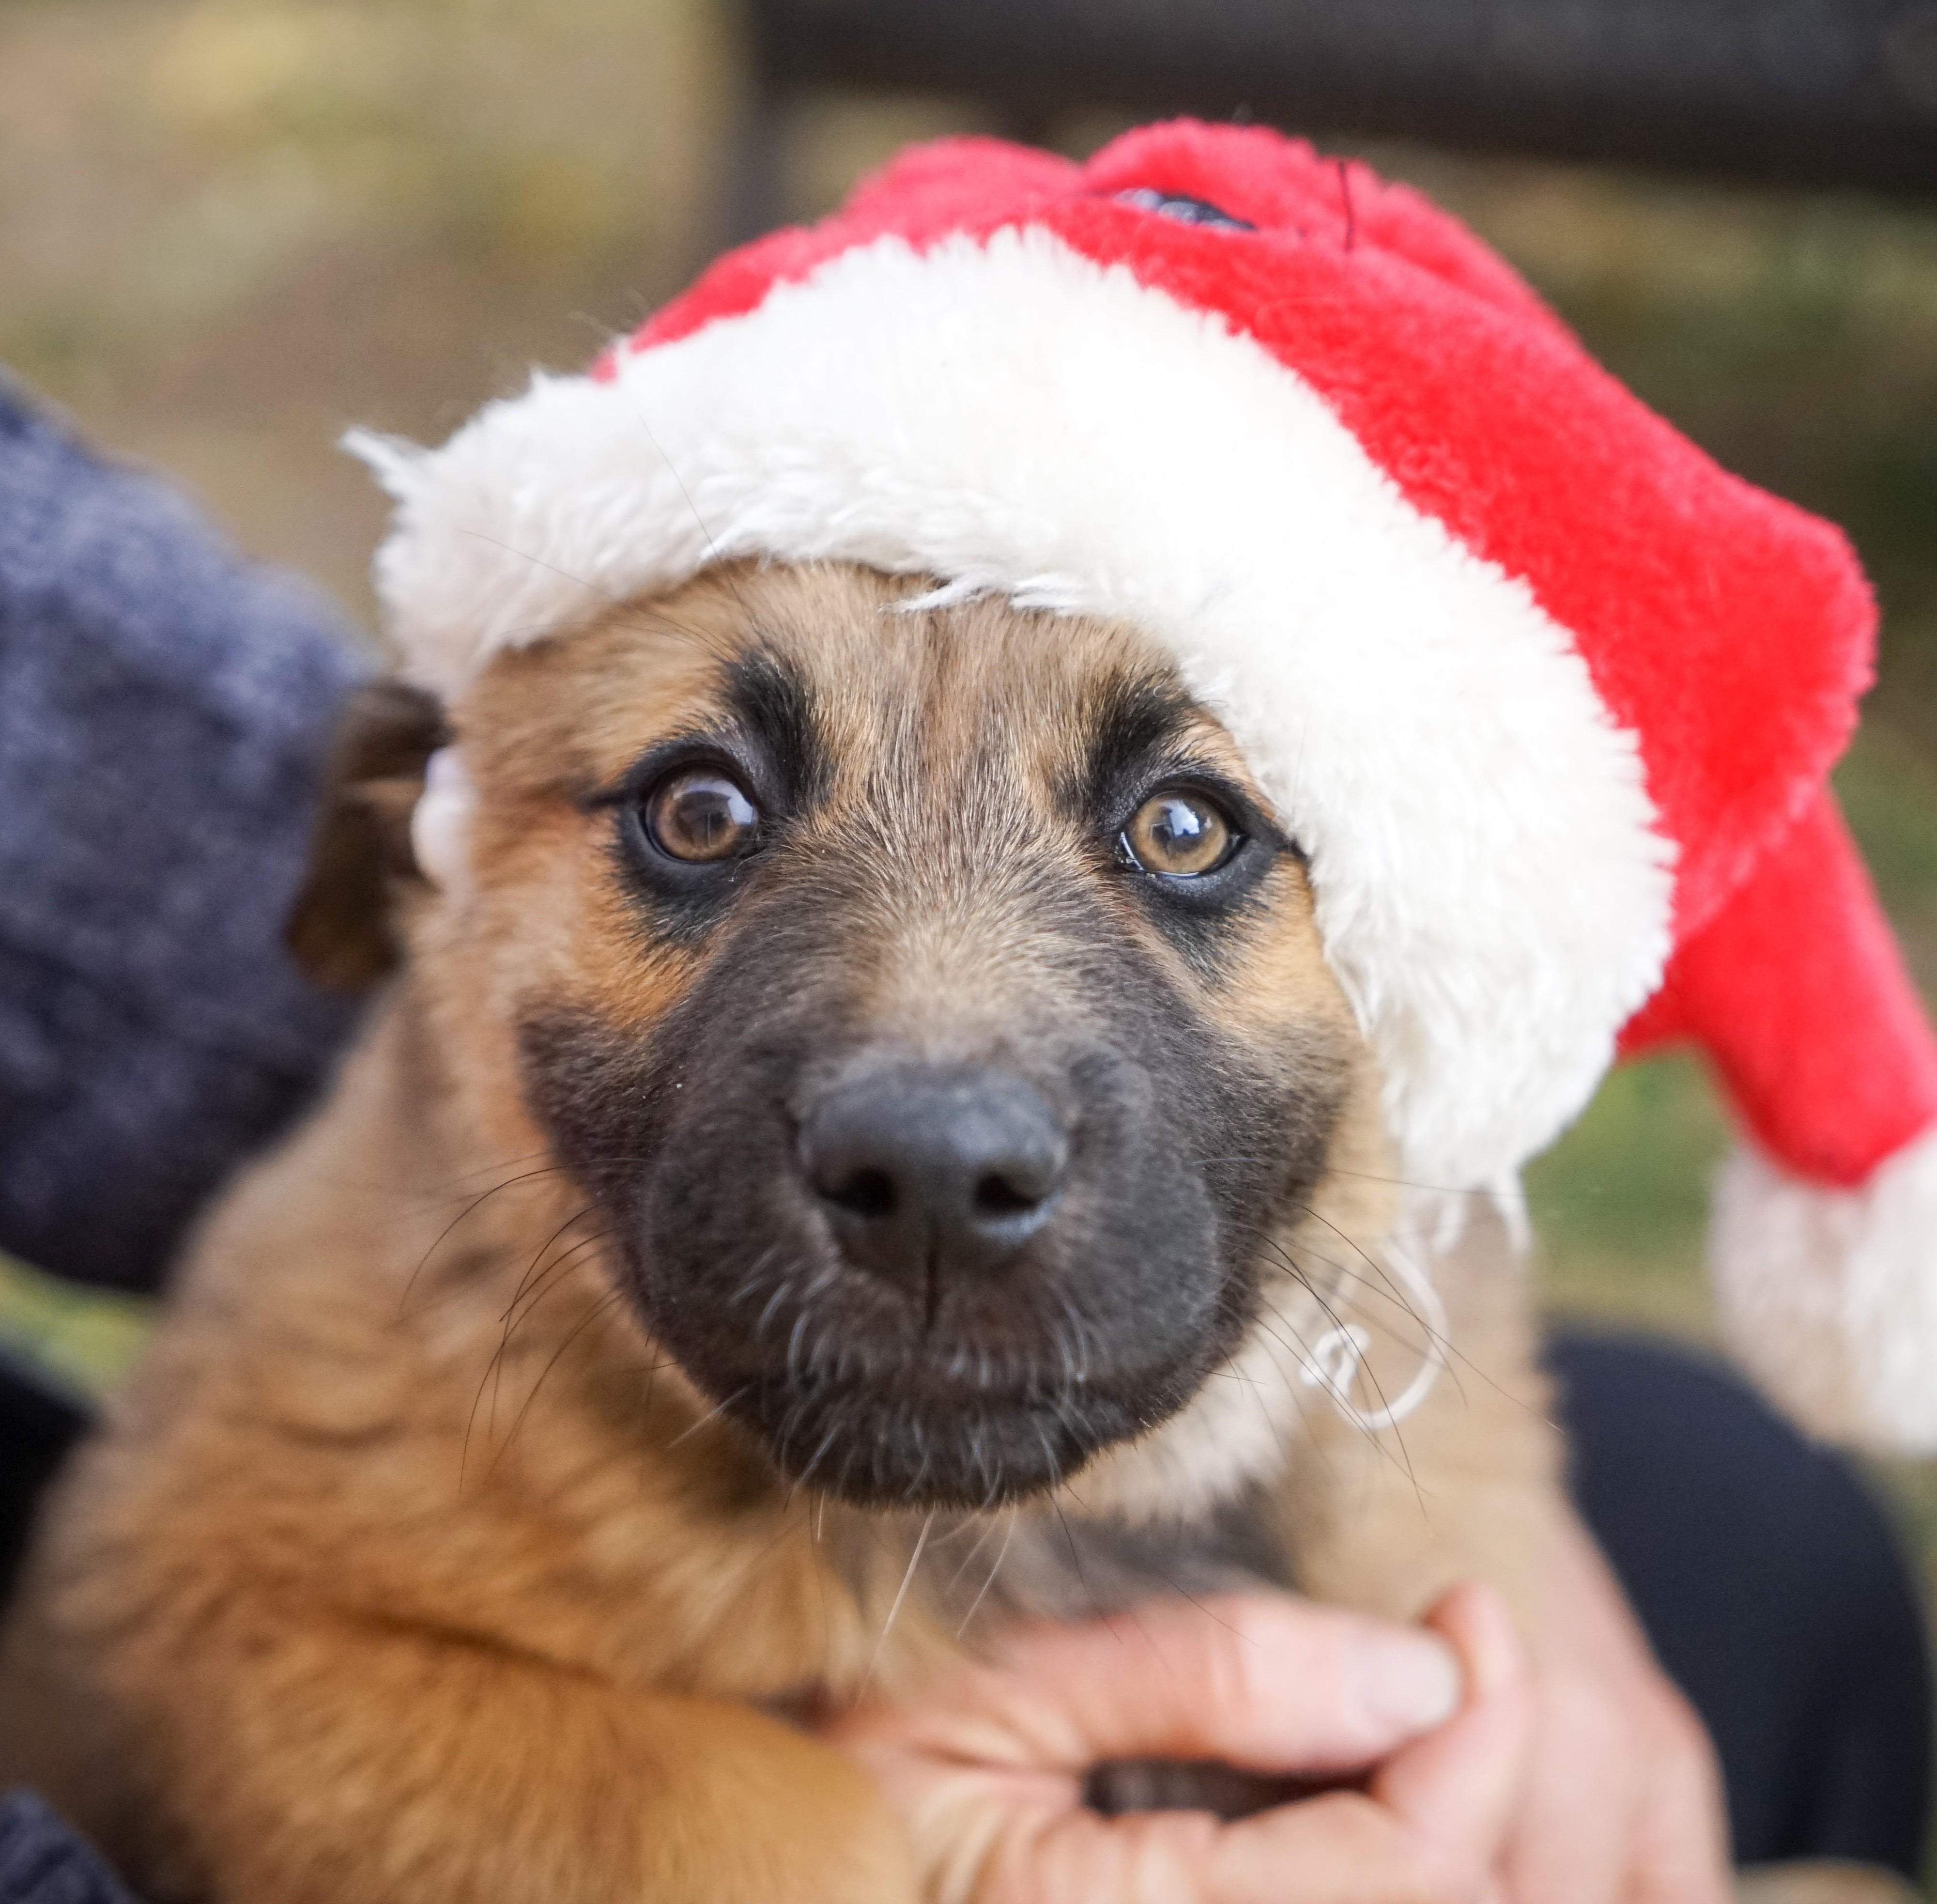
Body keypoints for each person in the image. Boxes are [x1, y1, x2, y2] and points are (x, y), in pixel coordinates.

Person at [0, 379, 1926, 1903]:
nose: (937, 1080)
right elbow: (175, 1631)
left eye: (1191, 830)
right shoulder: (374, 1377)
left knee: (1756, 1524)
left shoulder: (1421, 1354)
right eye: (701, 811)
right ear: (417, 859)